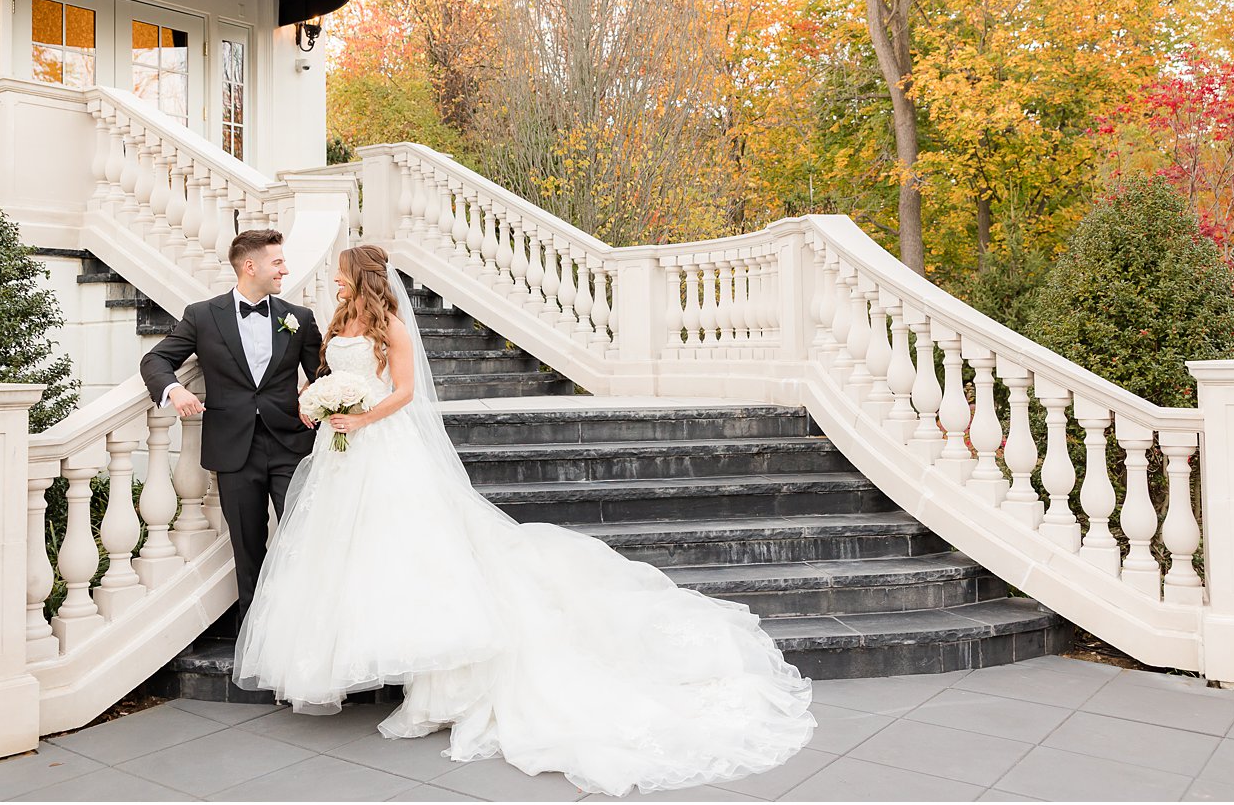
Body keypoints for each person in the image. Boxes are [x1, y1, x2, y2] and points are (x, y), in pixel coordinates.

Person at [234, 244, 815, 796]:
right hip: (342, 460)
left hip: (384, 447)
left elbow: (406, 392)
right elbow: (329, 376)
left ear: (359, 275)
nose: (332, 278)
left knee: (411, 556)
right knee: (352, 558)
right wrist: (321, 401)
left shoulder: (394, 329)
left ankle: (436, 688)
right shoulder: (335, 326)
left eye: (340, 271)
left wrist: (361, 420)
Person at [139, 229, 323, 624]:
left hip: (291, 444)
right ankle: (254, 645)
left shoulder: (300, 318)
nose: (285, 270)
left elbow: (322, 373)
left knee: (304, 538)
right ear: (250, 266)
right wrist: (174, 390)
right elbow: (155, 361)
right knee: (247, 549)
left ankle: (304, 629)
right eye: (278, 262)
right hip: (234, 450)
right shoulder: (203, 315)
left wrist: (317, 396)